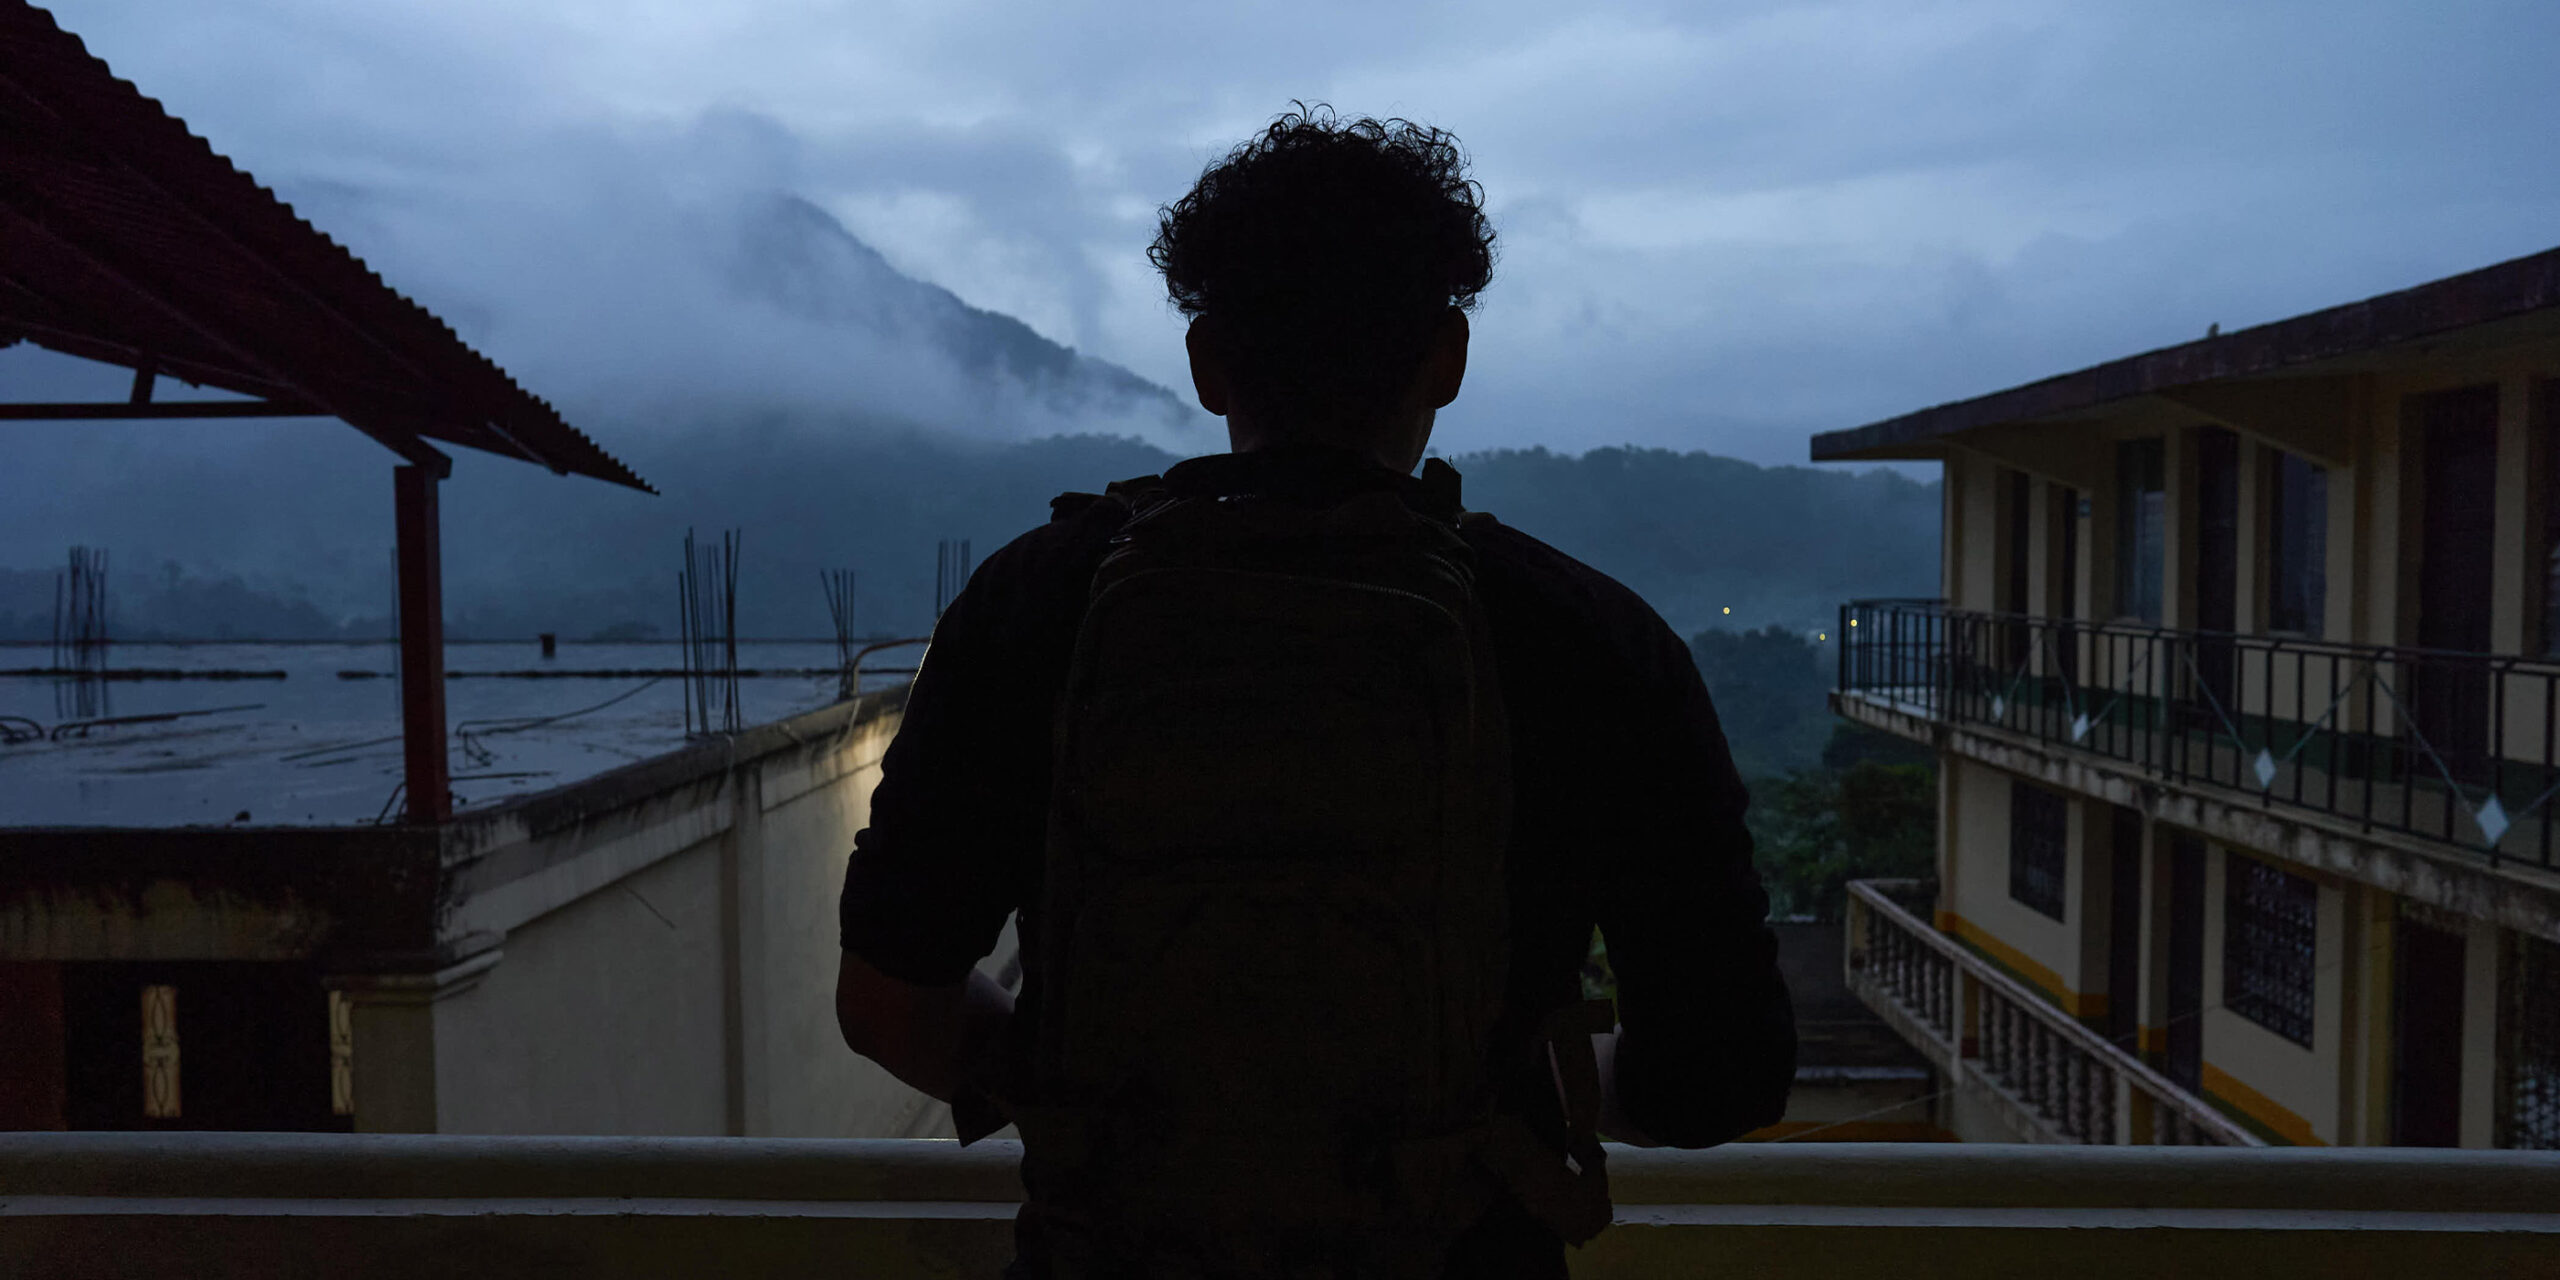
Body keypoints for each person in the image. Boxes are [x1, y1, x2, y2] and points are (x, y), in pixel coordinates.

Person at [837, 106, 1795, 1279]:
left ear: (1206, 365)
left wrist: (1095, 1097)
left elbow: (891, 1005)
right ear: (1447, 355)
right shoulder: (1585, 636)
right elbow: (1721, 1072)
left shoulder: (1038, 605)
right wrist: (1508, 1104)